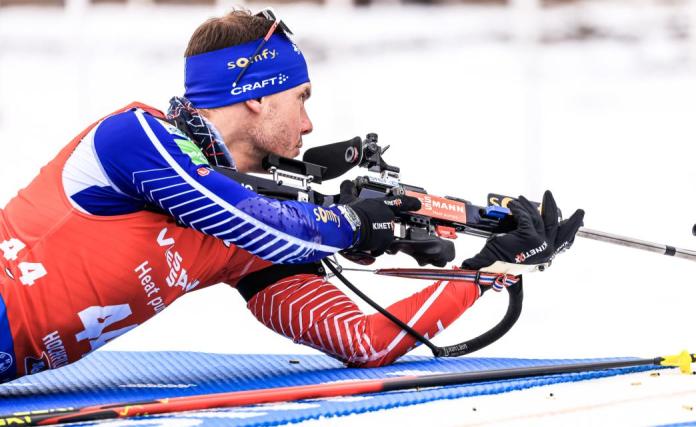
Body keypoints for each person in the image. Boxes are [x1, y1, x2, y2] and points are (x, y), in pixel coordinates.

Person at [0, 8, 583, 383]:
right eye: (301, 98)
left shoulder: (252, 237)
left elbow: (366, 341)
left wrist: (490, 266)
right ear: (257, 96)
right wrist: (353, 223)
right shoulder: (134, 138)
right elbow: (239, 213)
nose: (307, 126)